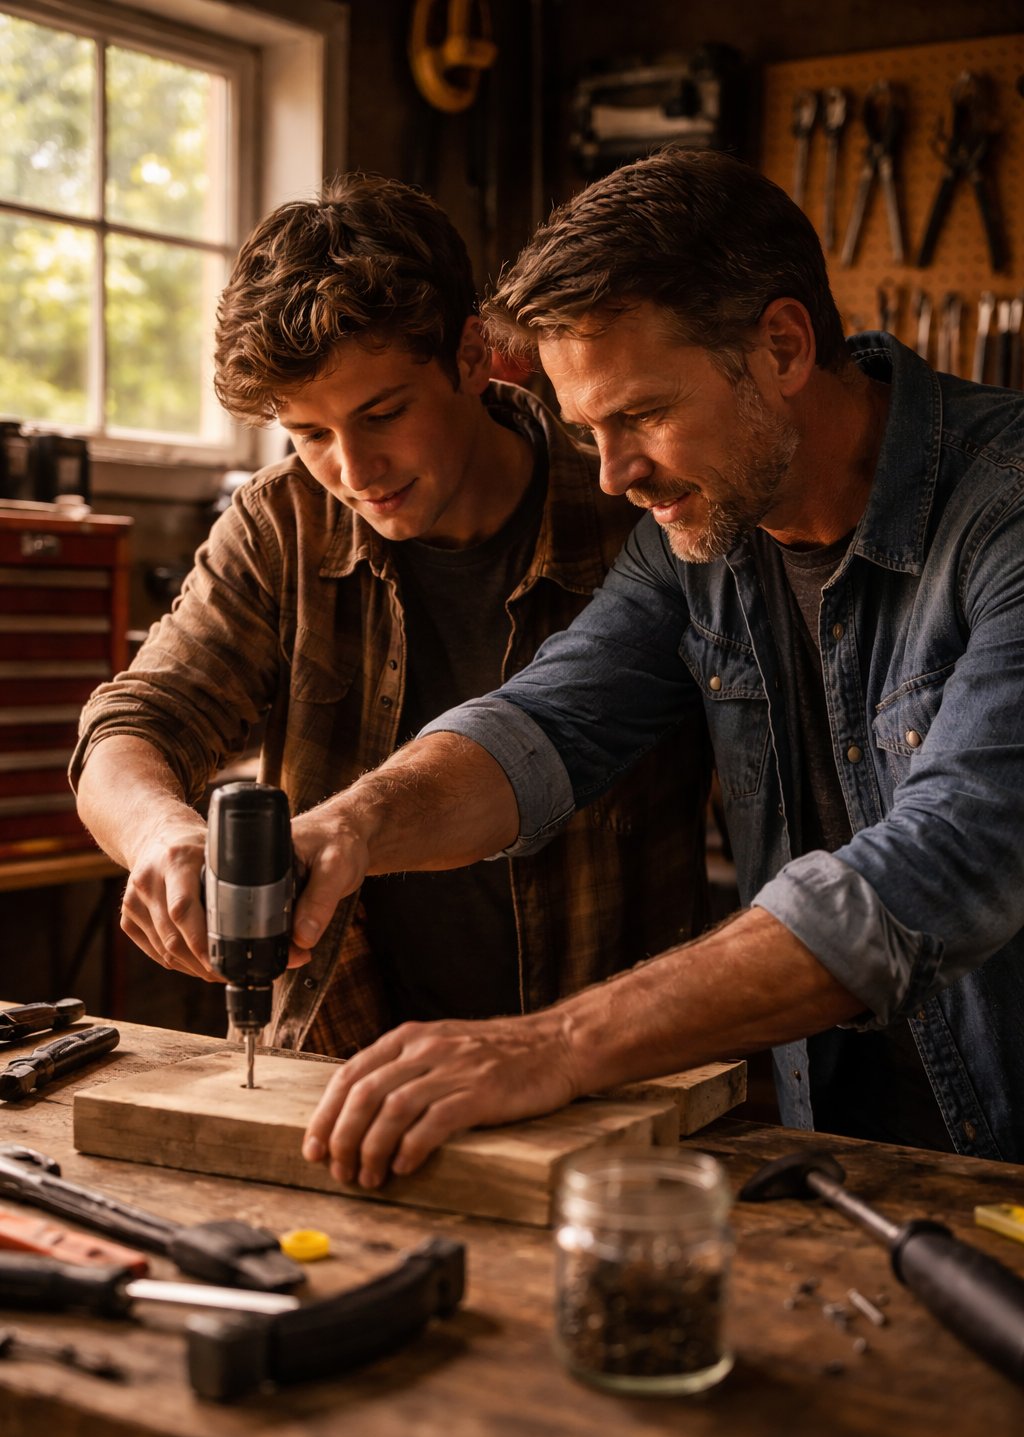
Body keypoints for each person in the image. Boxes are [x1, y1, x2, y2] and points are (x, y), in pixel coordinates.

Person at [286, 146, 1024, 1189]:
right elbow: (543, 724)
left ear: (779, 345)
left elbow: (948, 865)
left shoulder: (1008, 512)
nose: (613, 472)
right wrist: (351, 828)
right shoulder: (703, 537)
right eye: (587, 430)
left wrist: (550, 1044)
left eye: (639, 415)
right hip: (852, 1163)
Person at [70, 172, 711, 1059]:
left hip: (606, 1053)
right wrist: (161, 833)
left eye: (382, 413)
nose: (354, 467)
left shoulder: (634, 508)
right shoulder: (283, 520)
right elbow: (135, 719)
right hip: (342, 1048)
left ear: (473, 355)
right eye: (309, 433)